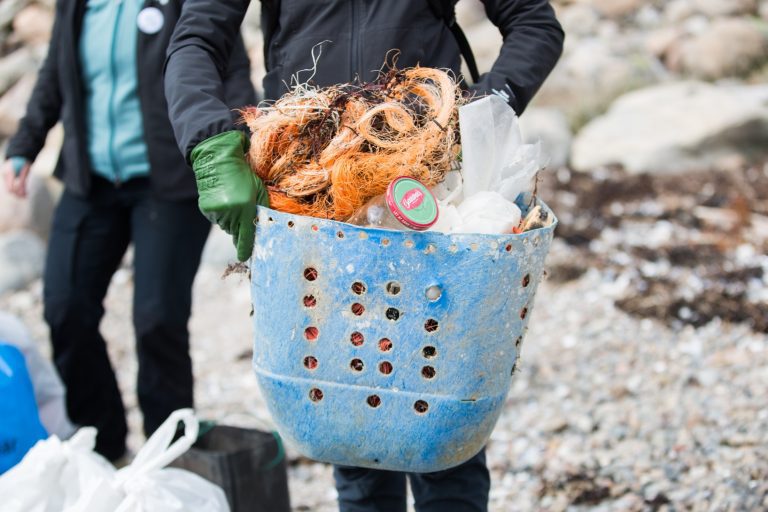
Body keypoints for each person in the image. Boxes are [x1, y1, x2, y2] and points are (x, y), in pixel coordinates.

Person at [164, 1, 563, 510]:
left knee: (440, 411)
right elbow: (196, 37)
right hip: (311, 181)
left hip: (433, 186)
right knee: (346, 410)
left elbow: (534, 23)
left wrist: (477, 115)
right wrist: (210, 137)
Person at [2, 0, 255, 462]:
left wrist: (246, 139)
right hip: (90, 180)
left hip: (168, 183)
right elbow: (56, 74)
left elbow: (229, 67)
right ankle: (105, 447)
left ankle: (169, 456)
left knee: (156, 319)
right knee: (65, 309)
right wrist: (25, 142)